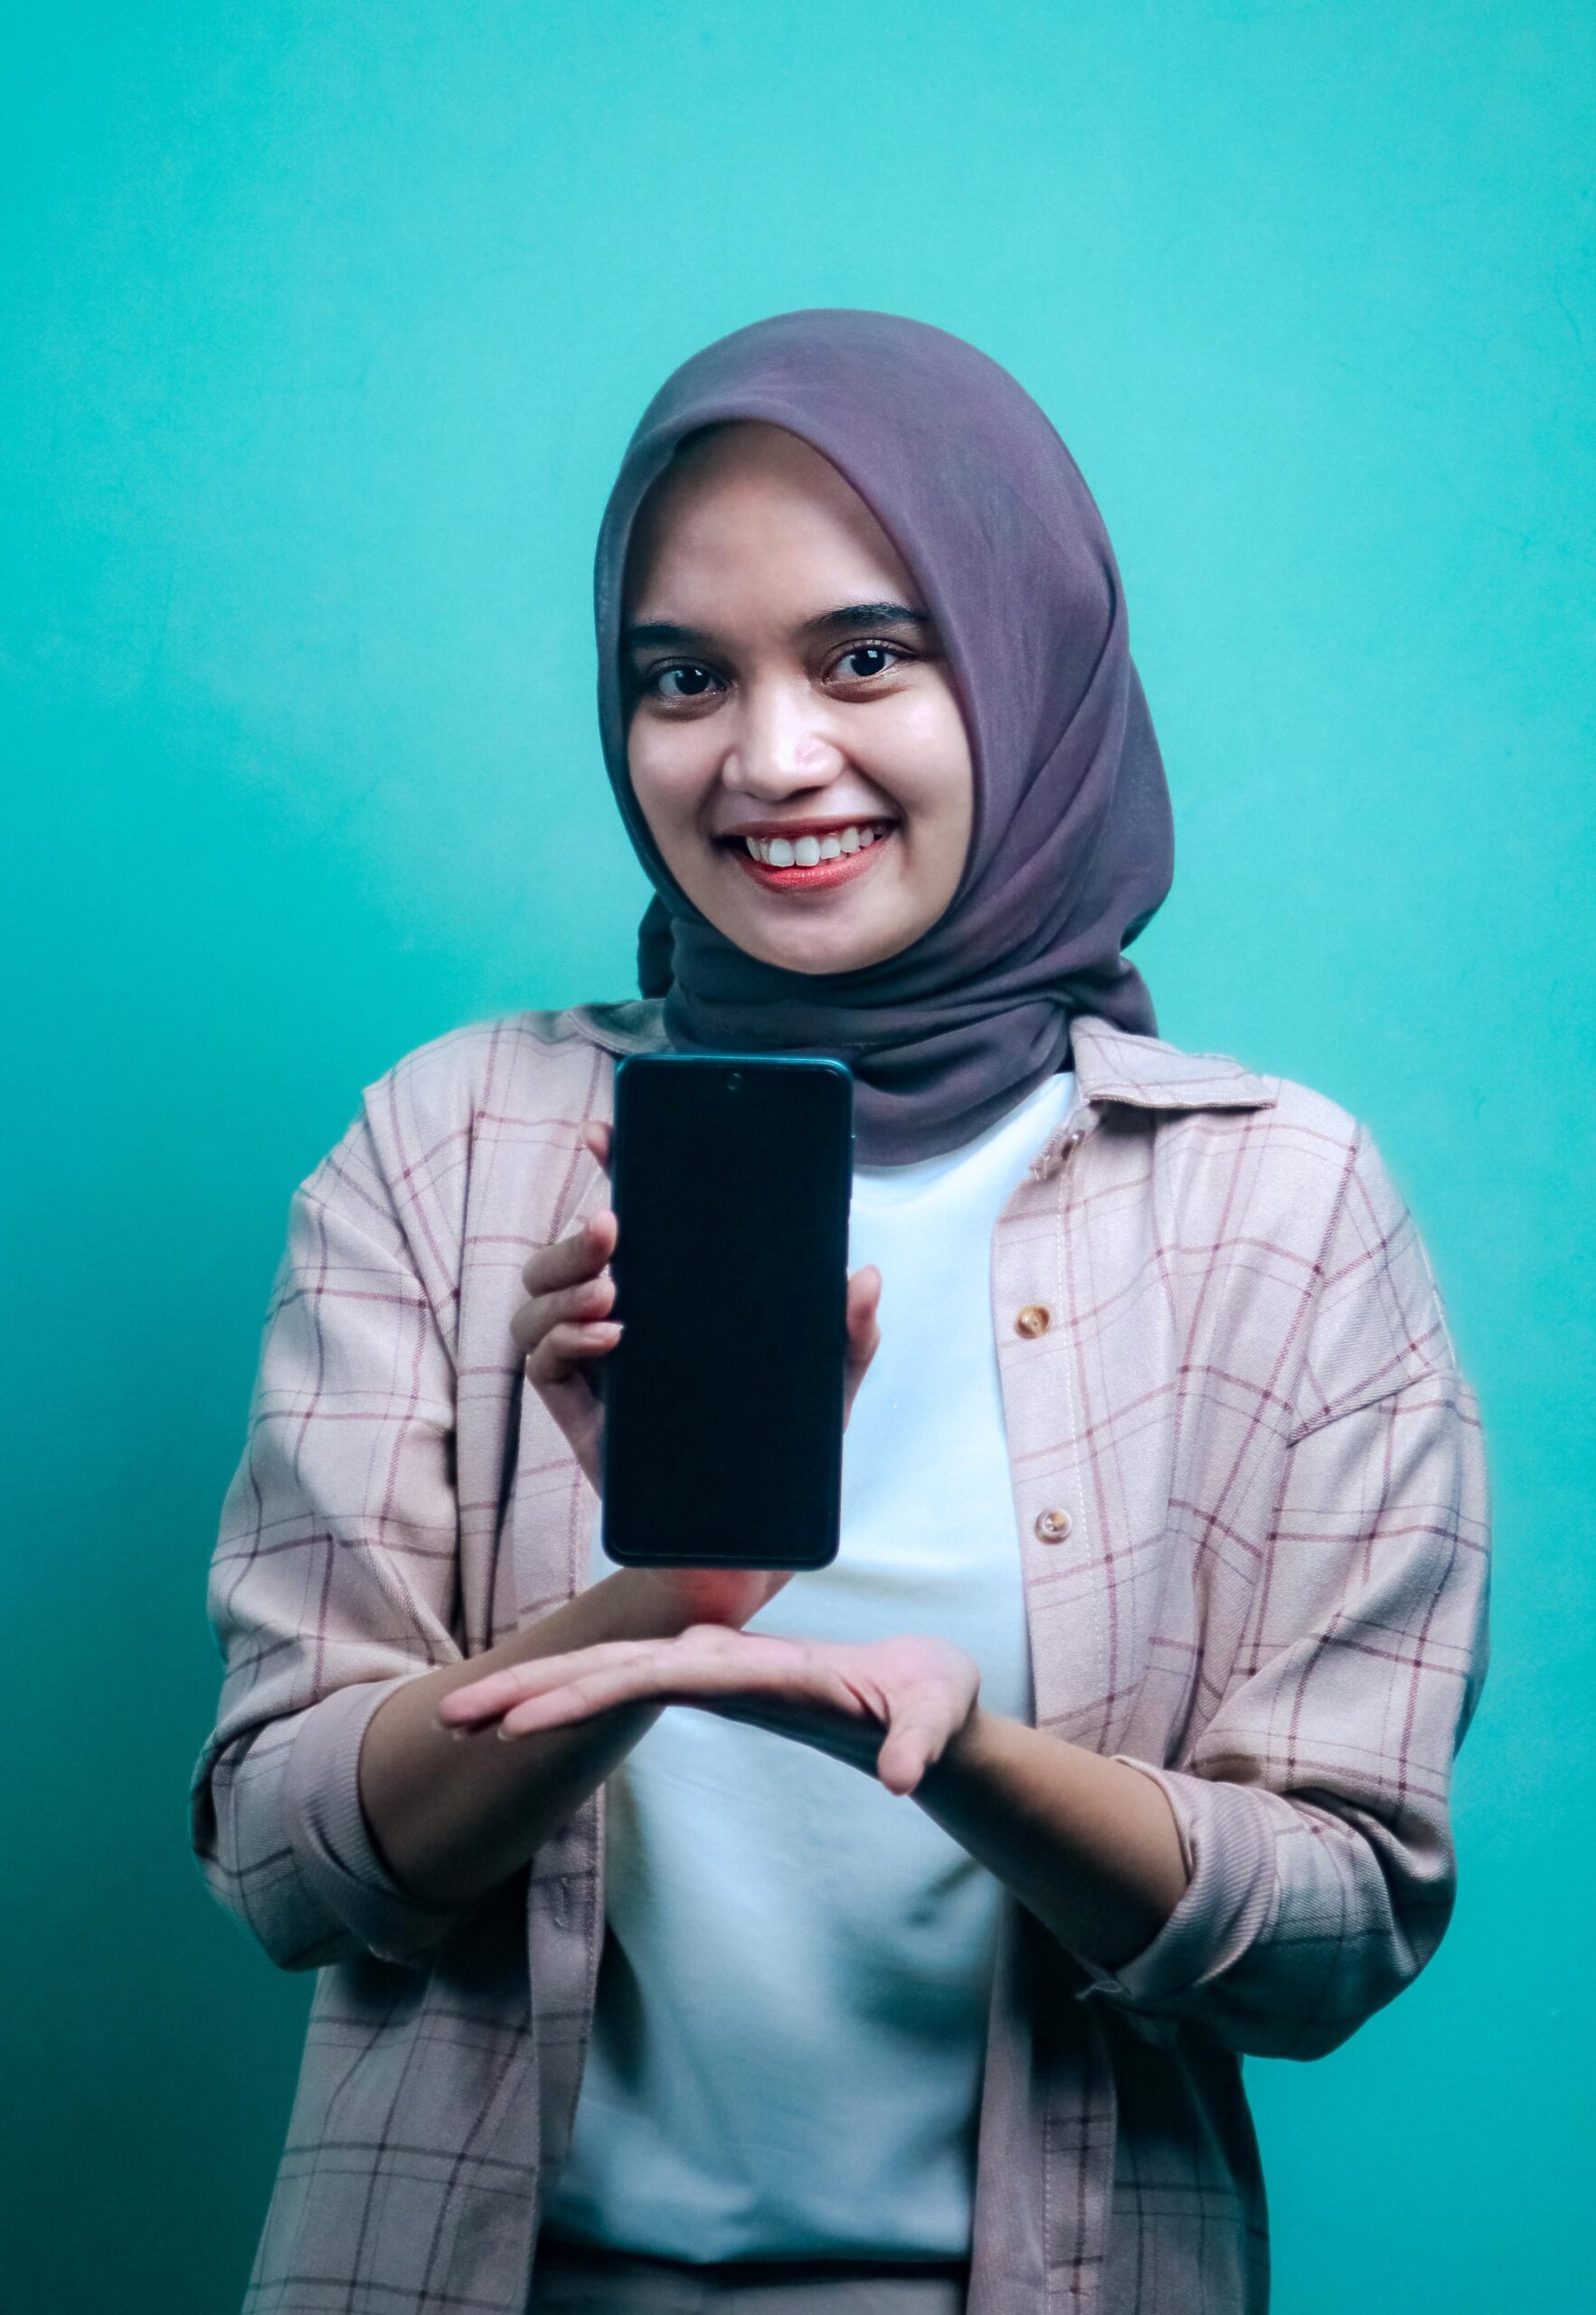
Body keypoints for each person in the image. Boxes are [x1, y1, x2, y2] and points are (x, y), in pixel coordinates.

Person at [190, 310, 1490, 2315]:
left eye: (867, 654)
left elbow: (1336, 1928)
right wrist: (663, 1606)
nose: (770, 755)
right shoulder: (443, 1148)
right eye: (682, 676)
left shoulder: (1278, 1205)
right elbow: (287, 1859)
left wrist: (965, 1755)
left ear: (1029, 664)